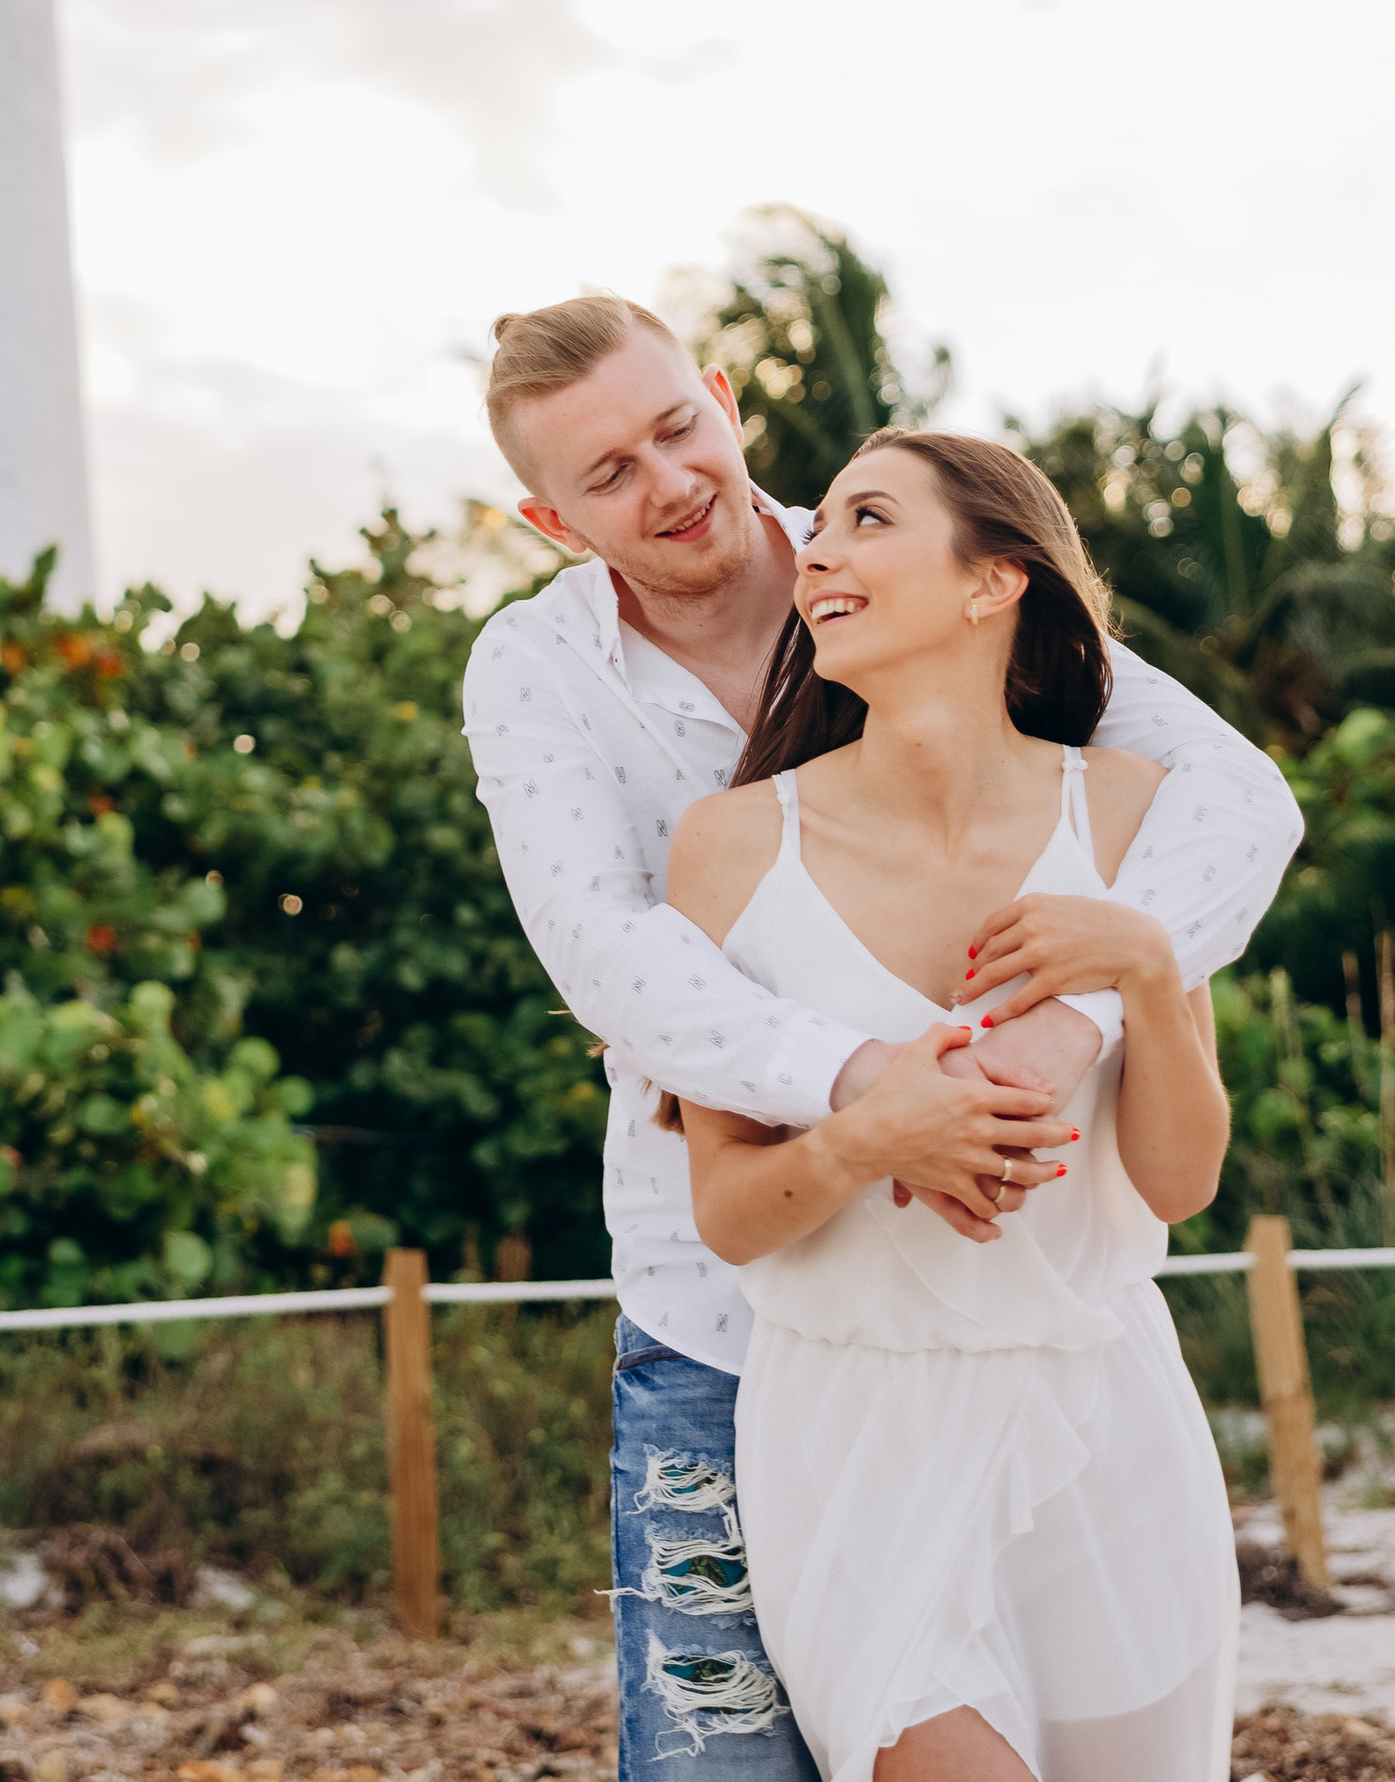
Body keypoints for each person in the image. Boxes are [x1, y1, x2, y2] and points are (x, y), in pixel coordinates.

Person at [461, 296, 1297, 1782]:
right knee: (722, 1764)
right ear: (547, 517)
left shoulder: (903, 549)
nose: (665, 481)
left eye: (675, 428)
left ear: (721, 396)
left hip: (1048, 1340)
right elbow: (607, 952)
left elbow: (1237, 804)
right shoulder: (539, 675)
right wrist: (869, 1100)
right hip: (733, 1321)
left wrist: (1076, 1022)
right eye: (605, 475)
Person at [669, 428, 1238, 1781]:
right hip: (855, 1438)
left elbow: (1178, 1181)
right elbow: (732, 1214)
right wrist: (873, 1135)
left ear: (997, 582)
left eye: (868, 517)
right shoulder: (730, 846)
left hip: (1103, 1418)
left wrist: (1149, 972)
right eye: (821, 529)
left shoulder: (1133, 813)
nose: (819, 551)